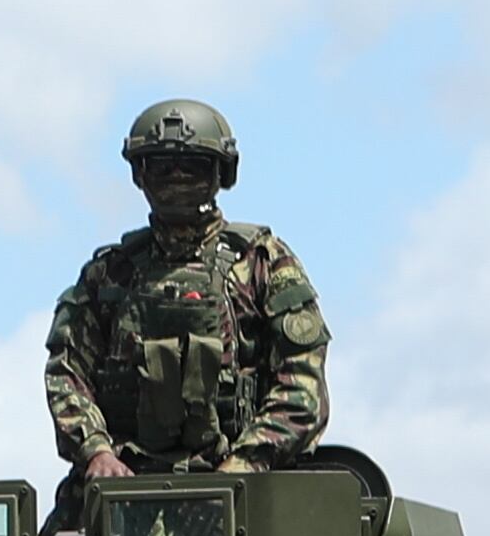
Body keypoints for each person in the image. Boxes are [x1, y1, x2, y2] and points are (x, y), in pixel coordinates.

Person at [43, 98, 329, 483]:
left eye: (191, 166)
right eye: (162, 166)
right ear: (141, 174)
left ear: (219, 173)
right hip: (122, 488)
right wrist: (97, 450)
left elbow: (302, 387)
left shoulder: (262, 263)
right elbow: (66, 372)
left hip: (242, 487)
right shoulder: (110, 274)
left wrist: (244, 464)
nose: (177, 177)